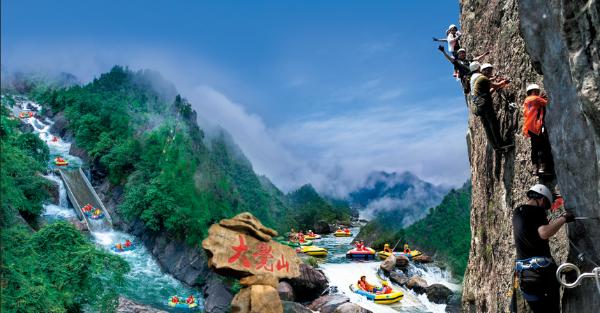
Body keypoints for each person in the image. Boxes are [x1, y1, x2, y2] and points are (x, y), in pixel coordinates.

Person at [513, 184, 574, 313]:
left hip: (525, 278)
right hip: (541, 276)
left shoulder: (517, 212)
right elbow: (544, 232)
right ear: (541, 199)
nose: (546, 210)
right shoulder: (536, 211)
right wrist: (564, 218)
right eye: (546, 205)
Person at [470, 63, 513, 151]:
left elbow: (488, 91)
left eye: (491, 70)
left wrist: (498, 84)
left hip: (478, 107)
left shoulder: (475, 80)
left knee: (487, 127)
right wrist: (504, 82)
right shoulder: (482, 78)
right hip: (484, 105)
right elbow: (495, 85)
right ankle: (501, 144)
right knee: (493, 123)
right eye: (489, 70)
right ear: (482, 70)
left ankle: (496, 147)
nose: (490, 72)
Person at [522, 84, 554, 176]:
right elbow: (547, 103)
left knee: (535, 148)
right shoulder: (535, 99)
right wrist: (543, 98)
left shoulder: (527, 100)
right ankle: (542, 168)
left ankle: (535, 168)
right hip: (536, 126)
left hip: (530, 127)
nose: (537, 92)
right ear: (531, 92)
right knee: (542, 147)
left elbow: (536, 105)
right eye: (535, 91)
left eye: (537, 91)